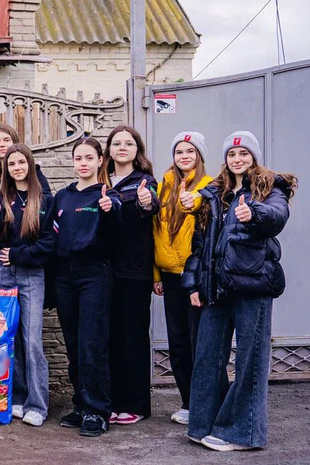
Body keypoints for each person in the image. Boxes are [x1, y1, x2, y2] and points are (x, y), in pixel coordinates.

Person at [183, 131, 296, 452]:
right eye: (232, 154)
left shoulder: (269, 187)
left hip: (253, 284)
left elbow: (277, 216)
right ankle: (204, 424)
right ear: (225, 159)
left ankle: (242, 433)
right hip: (217, 287)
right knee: (207, 355)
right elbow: (201, 243)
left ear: (254, 157)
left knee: (251, 360)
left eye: (244, 153)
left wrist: (255, 213)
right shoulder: (214, 192)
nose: (237, 159)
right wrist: (194, 283)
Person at [53, 137, 121, 437]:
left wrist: (110, 210)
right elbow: (52, 236)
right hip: (65, 276)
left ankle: (98, 411)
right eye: (78, 158)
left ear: (100, 161)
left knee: (92, 344)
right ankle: (80, 405)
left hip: (95, 274)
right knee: (73, 343)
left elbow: (118, 234)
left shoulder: (107, 195)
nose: (83, 163)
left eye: (89, 158)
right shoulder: (62, 197)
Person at [0, 143, 54, 426]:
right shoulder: (1, 196)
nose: (17, 168)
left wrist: (18, 255)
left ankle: (37, 405)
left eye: (21, 162)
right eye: (11, 164)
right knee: (5, 338)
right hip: (1, 271)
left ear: (30, 164)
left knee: (32, 339)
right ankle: (16, 397)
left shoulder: (44, 199)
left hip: (31, 273)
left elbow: (48, 244)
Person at [100, 126, 159, 426]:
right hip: (103, 271)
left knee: (132, 337)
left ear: (137, 150)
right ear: (109, 150)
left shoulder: (145, 181)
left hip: (134, 271)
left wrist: (146, 201)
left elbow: (152, 204)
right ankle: (112, 401)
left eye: (128, 143)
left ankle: (136, 404)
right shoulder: (101, 180)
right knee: (109, 337)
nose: (122, 147)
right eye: (117, 143)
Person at [152, 131, 212, 425]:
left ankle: (205, 404)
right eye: (179, 151)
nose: (184, 156)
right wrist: (155, 274)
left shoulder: (210, 185)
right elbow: (155, 230)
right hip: (169, 276)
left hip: (196, 278)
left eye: (190, 151)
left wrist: (196, 200)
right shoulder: (164, 185)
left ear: (199, 155)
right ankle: (188, 402)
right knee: (177, 344)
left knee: (199, 342)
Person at [0, 124, 51, 280]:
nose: (2, 144)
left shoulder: (34, 174)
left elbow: (44, 206)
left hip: (27, 248)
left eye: (6, 139)